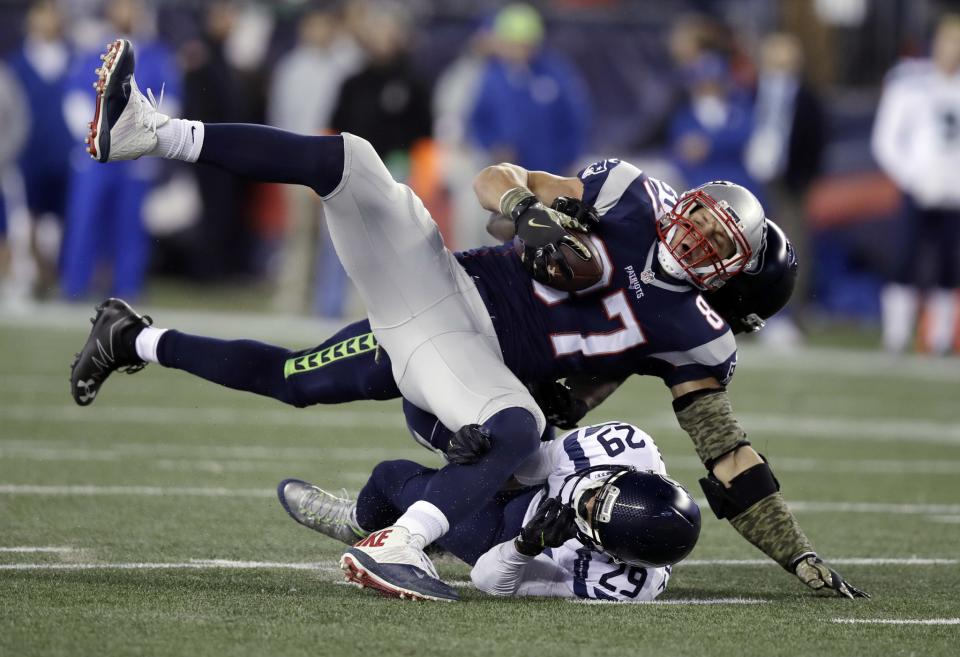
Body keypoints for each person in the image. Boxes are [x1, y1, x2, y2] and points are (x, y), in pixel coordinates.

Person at [69, 38, 866, 602]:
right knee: (350, 162)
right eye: (700, 215)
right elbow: (496, 178)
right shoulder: (631, 194)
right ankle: (152, 138)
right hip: (439, 285)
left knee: (517, 424)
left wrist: (793, 550)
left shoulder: (694, 335)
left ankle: (397, 534)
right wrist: (524, 208)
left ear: (732, 282)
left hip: (466, 371)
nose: (692, 231)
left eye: (715, 242)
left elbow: (728, 455)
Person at [278, 416, 699, 601]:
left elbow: (489, 581)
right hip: (530, 483)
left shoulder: (623, 582)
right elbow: (534, 465)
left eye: (590, 513)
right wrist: (483, 458)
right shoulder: (627, 445)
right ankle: (366, 523)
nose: (584, 498)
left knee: (393, 475)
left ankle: (358, 524)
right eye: (600, 489)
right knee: (518, 424)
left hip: (504, 534)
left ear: (611, 551)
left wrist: (525, 546)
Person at [872, 14, 960, 356]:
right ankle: (895, 336)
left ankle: (939, 339)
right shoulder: (910, 82)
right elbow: (886, 139)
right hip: (917, 188)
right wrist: (913, 176)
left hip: (955, 194)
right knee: (904, 259)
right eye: (948, 40)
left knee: (949, 266)